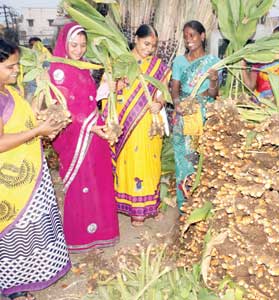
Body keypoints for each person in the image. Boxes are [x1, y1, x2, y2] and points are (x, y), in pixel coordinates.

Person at [0, 39, 71, 300]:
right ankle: (14, 288)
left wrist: (45, 123)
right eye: (10, 66)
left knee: (32, 231)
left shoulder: (10, 92)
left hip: (30, 174)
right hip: (10, 182)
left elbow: (22, 123)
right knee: (13, 233)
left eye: (17, 65)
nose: (16, 71)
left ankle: (32, 275)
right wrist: (37, 131)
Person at [49, 22, 119, 252]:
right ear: (64, 43)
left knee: (97, 181)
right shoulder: (58, 70)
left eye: (82, 45)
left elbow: (89, 100)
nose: (78, 50)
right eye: (74, 45)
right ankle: (80, 236)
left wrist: (106, 89)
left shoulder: (81, 66)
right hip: (76, 136)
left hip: (92, 132)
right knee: (82, 184)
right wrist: (89, 126)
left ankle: (100, 233)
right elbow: (62, 107)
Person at [112, 24, 171, 226]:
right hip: (127, 121)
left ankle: (151, 206)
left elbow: (163, 92)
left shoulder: (158, 66)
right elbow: (108, 91)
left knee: (151, 163)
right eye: (146, 43)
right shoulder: (121, 62)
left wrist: (159, 103)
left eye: (153, 46)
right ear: (136, 39)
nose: (149, 49)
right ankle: (135, 209)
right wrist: (115, 88)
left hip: (149, 122)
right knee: (132, 163)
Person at [171, 20, 220, 210]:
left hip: (203, 114)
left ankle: (202, 204)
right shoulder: (179, 61)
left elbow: (213, 94)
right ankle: (184, 203)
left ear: (202, 36)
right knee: (183, 159)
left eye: (192, 35)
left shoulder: (213, 63)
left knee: (201, 157)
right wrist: (177, 104)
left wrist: (214, 80)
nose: (188, 40)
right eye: (185, 36)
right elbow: (174, 88)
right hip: (184, 115)